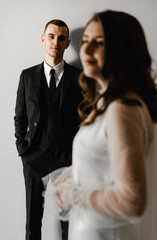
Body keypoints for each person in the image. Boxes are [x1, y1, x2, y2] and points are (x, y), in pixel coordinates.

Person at [52, 10, 157, 240]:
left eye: (98, 43)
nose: (86, 50)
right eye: (86, 41)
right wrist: (73, 174)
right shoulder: (108, 102)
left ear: (123, 50)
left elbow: (133, 201)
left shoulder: (122, 109)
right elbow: (110, 163)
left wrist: (73, 195)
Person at [14, 19, 82, 240]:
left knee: (68, 222)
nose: (56, 42)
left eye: (61, 38)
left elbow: (86, 117)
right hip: (34, 156)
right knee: (33, 223)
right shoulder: (27, 76)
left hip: (67, 157)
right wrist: (22, 146)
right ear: (43, 39)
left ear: (67, 43)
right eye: (51, 36)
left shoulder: (79, 77)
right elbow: (20, 116)